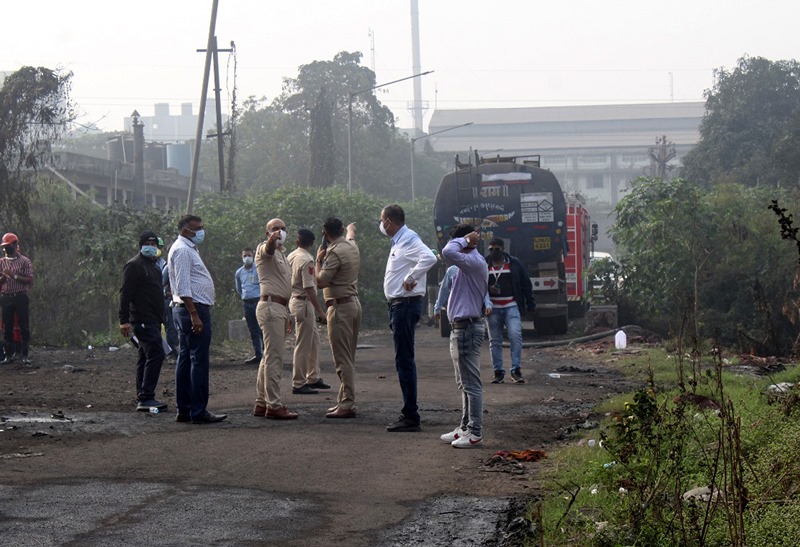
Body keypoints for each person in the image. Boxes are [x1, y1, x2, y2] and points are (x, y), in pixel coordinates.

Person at [379, 204, 437, 432]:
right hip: (399, 305)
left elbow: (429, 258)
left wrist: (411, 277)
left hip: (404, 305)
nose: (381, 225)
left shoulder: (409, 239)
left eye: (381, 220)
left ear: (388, 222)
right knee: (403, 358)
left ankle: (410, 415)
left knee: (404, 360)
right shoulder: (400, 241)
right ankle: (409, 412)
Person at [168, 214, 226, 424]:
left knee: (185, 358)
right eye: (197, 228)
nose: (201, 231)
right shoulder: (183, 250)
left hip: (186, 309)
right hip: (193, 310)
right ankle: (198, 411)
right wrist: (194, 315)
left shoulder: (187, 247)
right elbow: (183, 287)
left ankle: (184, 409)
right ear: (186, 231)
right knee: (198, 361)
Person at [440, 224, 488, 448]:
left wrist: (466, 240)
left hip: (468, 327)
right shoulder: (463, 266)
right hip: (460, 327)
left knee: (471, 384)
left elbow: (448, 251)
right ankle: (465, 427)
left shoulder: (474, 262)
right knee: (464, 383)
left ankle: (475, 432)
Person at [252, 218, 299, 420]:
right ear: (267, 233)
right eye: (274, 229)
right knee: (274, 358)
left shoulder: (283, 255)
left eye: (283, 228)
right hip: (270, 306)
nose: (280, 232)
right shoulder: (265, 249)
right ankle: (274, 405)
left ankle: (262, 402)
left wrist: (287, 313)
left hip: (278, 307)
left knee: (268, 356)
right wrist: (272, 240)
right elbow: (268, 248)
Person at [315, 217, 361, 419]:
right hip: (353, 304)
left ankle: (348, 403)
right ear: (341, 230)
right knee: (348, 356)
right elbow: (351, 235)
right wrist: (351, 229)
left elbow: (321, 281)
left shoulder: (334, 253)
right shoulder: (351, 246)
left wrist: (318, 260)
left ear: (325, 233)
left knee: (342, 359)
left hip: (339, 307)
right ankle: (343, 400)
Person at [119, 231, 168, 412]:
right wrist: (124, 320)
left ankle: (142, 394)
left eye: (154, 244)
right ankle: (147, 397)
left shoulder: (153, 266)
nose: (152, 247)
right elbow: (125, 294)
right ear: (141, 245)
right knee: (156, 353)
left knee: (145, 355)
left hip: (154, 320)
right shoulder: (134, 266)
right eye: (148, 243)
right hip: (142, 319)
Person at [485, 237, 535, 384]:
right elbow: (477, 285)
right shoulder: (484, 264)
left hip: (511, 306)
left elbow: (526, 284)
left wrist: (530, 304)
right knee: (495, 341)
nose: (493, 252)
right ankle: (498, 372)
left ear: (503, 249)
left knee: (515, 336)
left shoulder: (515, 264)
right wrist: (488, 289)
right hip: (492, 308)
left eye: (497, 249)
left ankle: (516, 370)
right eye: (491, 249)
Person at [287, 228, 330, 395]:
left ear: (297, 241)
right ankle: (298, 382)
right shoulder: (307, 260)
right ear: (312, 243)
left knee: (313, 341)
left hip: (296, 300)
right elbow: (309, 287)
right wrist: (320, 311)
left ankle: (313, 376)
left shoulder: (291, 256)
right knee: (303, 344)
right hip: (303, 303)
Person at [0, 233, 34, 365]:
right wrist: (3, 278)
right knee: (7, 327)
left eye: (8, 246)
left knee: (24, 326)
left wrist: (14, 276)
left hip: (20, 296)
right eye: (4, 247)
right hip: (6, 297)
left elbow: (29, 279)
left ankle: (24, 355)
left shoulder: (25, 261)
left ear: (15, 245)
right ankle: (9, 355)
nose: (5, 249)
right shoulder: (1, 262)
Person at [235, 247, 263, 365]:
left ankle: (267, 354)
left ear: (253, 256)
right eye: (244, 255)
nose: (247, 258)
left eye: (249, 255)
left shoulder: (259, 269)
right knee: (253, 330)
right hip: (247, 303)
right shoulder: (239, 272)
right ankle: (258, 354)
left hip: (259, 301)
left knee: (262, 328)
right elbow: (239, 288)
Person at [157, 237, 178, 360]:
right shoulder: (167, 268)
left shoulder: (164, 264)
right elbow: (162, 286)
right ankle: (172, 353)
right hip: (167, 302)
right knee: (170, 328)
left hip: (177, 301)